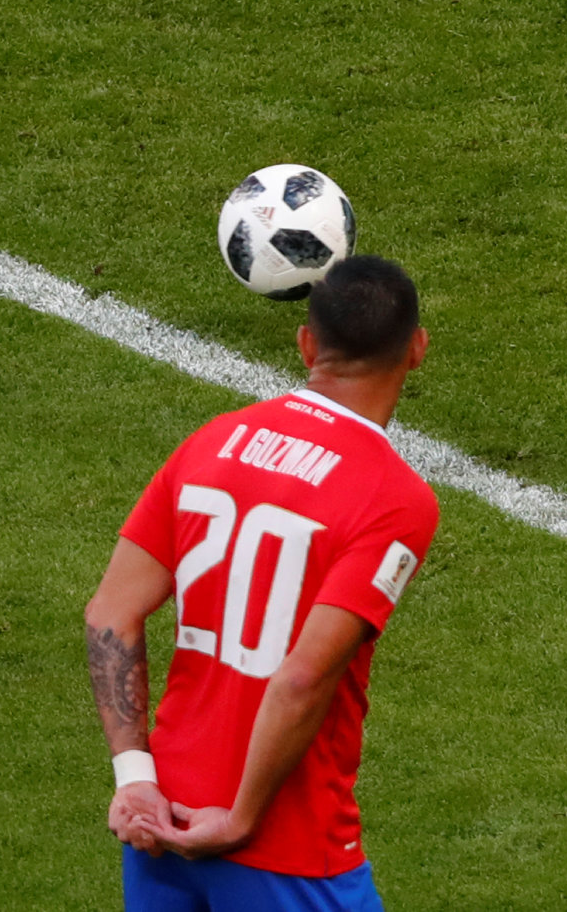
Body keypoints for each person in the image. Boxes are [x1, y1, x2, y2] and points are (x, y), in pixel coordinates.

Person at [85, 256, 441, 912]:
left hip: (160, 828)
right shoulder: (396, 499)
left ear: (307, 343)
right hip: (290, 851)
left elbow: (111, 611)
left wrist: (135, 779)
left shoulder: (212, 443)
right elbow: (302, 678)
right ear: (417, 348)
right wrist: (241, 817)